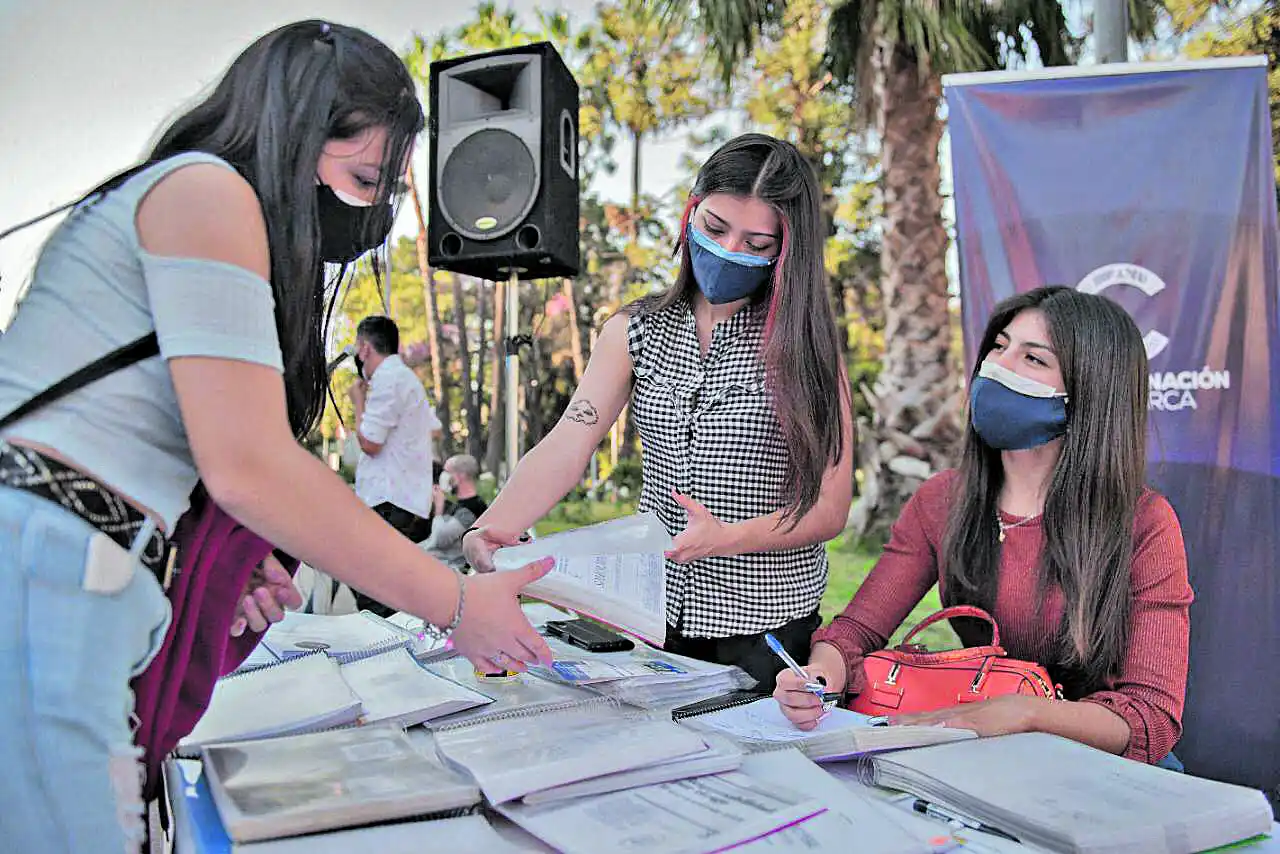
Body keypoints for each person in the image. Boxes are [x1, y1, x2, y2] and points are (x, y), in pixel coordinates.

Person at [0, 21, 551, 852]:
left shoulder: (184, 199)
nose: (374, 214)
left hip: (75, 580)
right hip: (42, 576)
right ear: (297, 130)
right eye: (366, 178)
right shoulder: (206, 191)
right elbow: (250, 465)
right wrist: (459, 603)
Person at [465, 134, 855, 691]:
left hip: (767, 636)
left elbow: (831, 508)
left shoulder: (809, 348)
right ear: (691, 212)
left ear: (784, 251)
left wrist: (728, 537)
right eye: (715, 229)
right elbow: (569, 441)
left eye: (756, 243)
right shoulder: (635, 329)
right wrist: (493, 526)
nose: (727, 251)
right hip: (654, 621)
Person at [774, 286, 1193, 767]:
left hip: (1103, 767)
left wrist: (1024, 713)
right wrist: (818, 678)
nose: (997, 366)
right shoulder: (941, 500)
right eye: (999, 346)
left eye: (1033, 359)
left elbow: (1150, 719)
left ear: (1091, 392)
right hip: (983, 746)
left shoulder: (1145, 522)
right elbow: (854, 632)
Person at [346, 314, 442, 615]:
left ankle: (386, 649)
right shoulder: (405, 378)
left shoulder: (388, 380)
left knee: (371, 590)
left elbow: (370, 443)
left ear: (364, 349)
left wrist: (357, 402)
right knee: (382, 586)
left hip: (389, 499)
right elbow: (433, 427)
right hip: (405, 497)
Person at [422, 454, 490, 571]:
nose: (443, 477)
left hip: (450, 569)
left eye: (447, 472)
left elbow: (439, 539)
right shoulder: (460, 504)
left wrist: (438, 508)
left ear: (461, 475)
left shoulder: (472, 508)